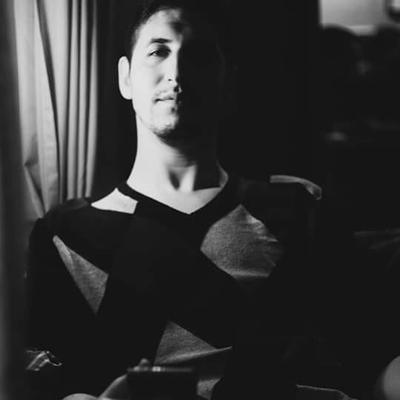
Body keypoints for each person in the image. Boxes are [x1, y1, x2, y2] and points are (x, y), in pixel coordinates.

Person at [25, 1, 400, 399]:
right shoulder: (66, 235)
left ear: (228, 83)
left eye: (200, 56)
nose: (176, 72)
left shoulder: (296, 209)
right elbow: (49, 381)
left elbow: (376, 360)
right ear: (126, 78)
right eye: (158, 51)